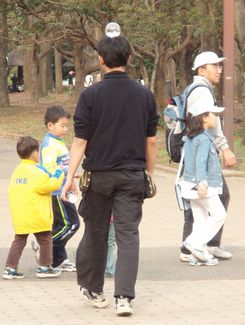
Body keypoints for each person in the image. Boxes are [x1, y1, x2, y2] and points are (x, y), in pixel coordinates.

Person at [61, 35, 159, 316]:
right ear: (129, 59)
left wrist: (70, 176)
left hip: (98, 175)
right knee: (128, 235)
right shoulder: (144, 95)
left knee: (96, 230)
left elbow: (80, 141)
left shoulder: (90, 96)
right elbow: (150, 141)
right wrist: (148, 173)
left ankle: (92, 288)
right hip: (131, 176)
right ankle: (124, 298)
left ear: (101, 60)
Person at [180, 51, 236, 263]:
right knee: (214, 198)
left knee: (201, 202)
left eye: (220, 66)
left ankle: (201, 245)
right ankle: (194, 246)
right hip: (203, 153)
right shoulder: (202, 92)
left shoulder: (197, 88)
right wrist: (225, 148)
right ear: (202, 70)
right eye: (215, 65)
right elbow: (213, 126)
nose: (219, 69)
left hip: (196, 151)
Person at [2, 136, 64, 280]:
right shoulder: (36, 172)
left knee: (19, 241)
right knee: (45, 240)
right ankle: (44, 267)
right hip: (37, 214)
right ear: (35, 154)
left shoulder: (17, 171)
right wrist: (59, 173)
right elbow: (50, 185)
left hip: (21, 215)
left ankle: (10, 268)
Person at [180, 105, 227, 266]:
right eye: (214, 114)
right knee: (219, 214)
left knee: (200, 219)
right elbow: (201, 162)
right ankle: (193, 242)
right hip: (202, 186)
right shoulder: (204, 138)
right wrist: (202, 183)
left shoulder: (190, 137)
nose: (216, 117)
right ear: (204, 118)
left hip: (189, 185)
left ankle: (198, 254)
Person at [38, 106, 80, 272]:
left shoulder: (58, 142)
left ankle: (58, 259)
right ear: (50, 125)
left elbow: (67, 165)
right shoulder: (49, 144)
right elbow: (49, 168)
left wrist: (71, 181)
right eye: (62, 125)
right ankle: (44, 247)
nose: (65, 129)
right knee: (70, 225)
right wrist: (66, 172)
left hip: (65, 189)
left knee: (63, 225)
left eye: (67, 126)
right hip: (56, 192)